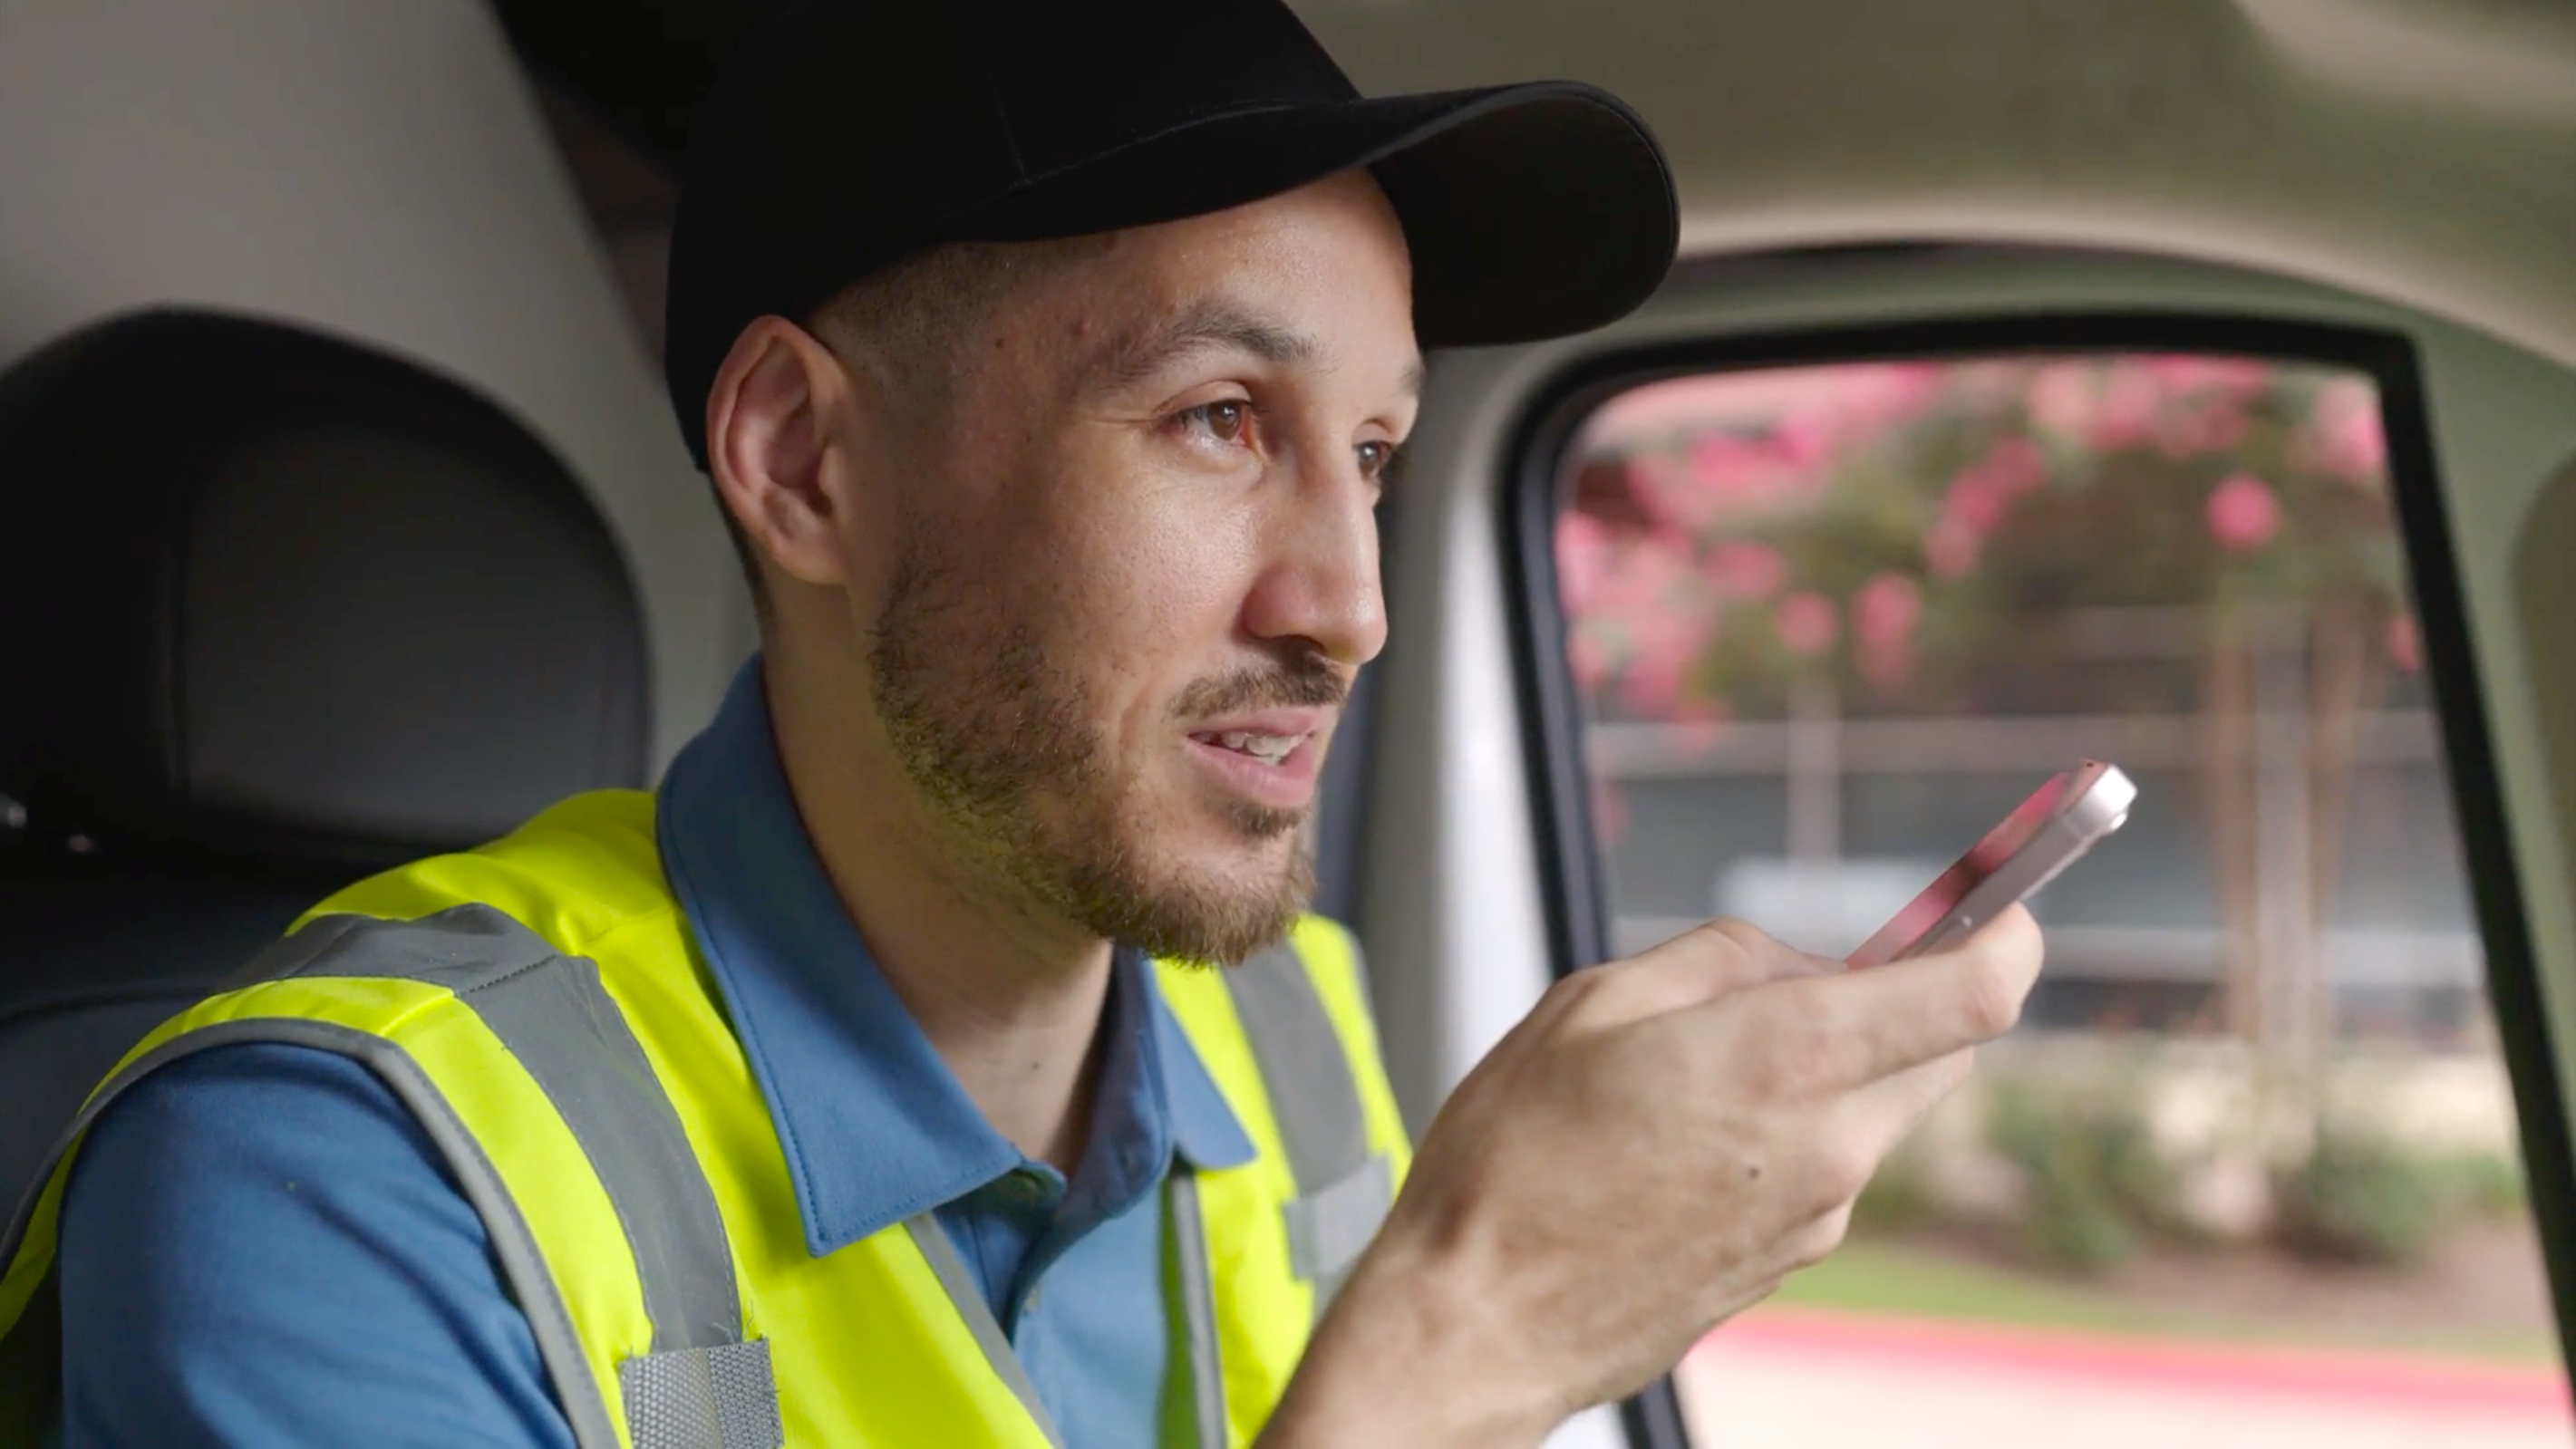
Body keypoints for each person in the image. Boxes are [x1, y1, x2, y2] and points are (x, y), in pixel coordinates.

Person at [0, 1, 2045, 1444]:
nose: (1348, 605)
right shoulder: (323, 1182)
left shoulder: (1290, 1024)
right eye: (1217, 423)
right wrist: (1461, 1355)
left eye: (1376, 453)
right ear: (802, 462)